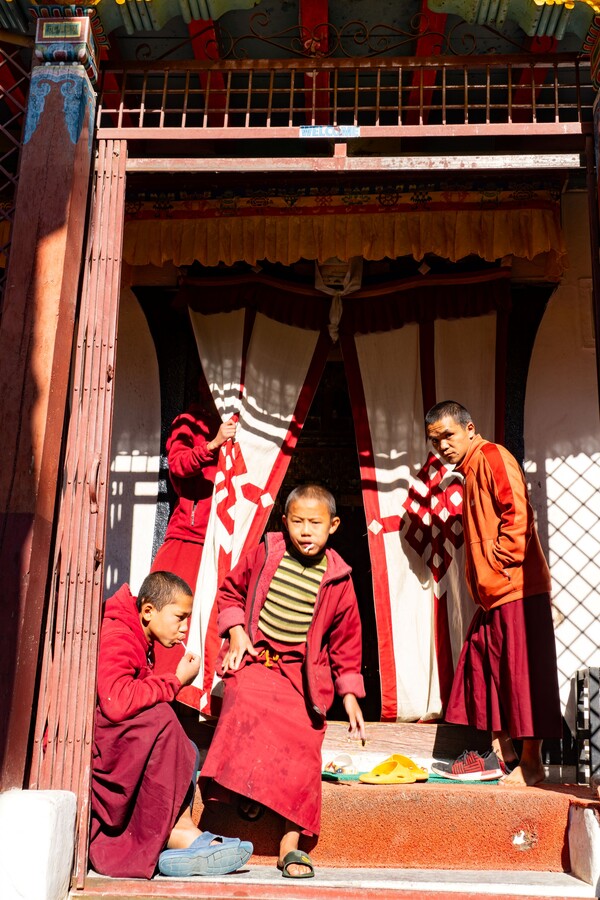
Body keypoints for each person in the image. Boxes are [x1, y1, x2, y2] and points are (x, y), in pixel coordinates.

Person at [199, 484, 366, 879]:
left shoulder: (339, 578)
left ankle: (290, 844)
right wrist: (236, 633)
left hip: (301, 676)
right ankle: (240, 797)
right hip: (259, 661)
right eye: (298, 522)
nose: (306, 531)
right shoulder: (267, 552)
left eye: (315, 523)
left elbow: (346, 641)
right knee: (241, 703)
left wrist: (350, 696)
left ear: (333, 526)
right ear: (284, 522)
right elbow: (230, 593)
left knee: (305, 736)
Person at [424, 401, 562, 786]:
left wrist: (500, 563)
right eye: (435, 441)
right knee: (481, 666)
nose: (443, 446)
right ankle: (503, 757)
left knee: (522, 674)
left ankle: (531, 765)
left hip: (516, 587)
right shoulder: (470, 471)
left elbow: (517, 512)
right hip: (494, 594)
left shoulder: (491, 456)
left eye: (448, 435)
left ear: (470, 429)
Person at [89, 570, 253, 879]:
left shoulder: (136, 632)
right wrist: (175, 681)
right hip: (99, 749)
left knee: (186, 744)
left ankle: (179, 829)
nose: (185, 627)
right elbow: (116, 700)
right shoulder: (119, 634)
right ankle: (173, 836)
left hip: (115, 740)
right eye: (179, 617)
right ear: (148, 611)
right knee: (163, 720)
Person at [151, 395, 236, 677]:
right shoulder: (189, 423)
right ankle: (164, 686)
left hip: (227, 540)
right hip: (188, 538)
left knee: (214, 621)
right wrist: (213, 444)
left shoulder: (243, 427)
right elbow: (177, 464)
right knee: (169, 613)